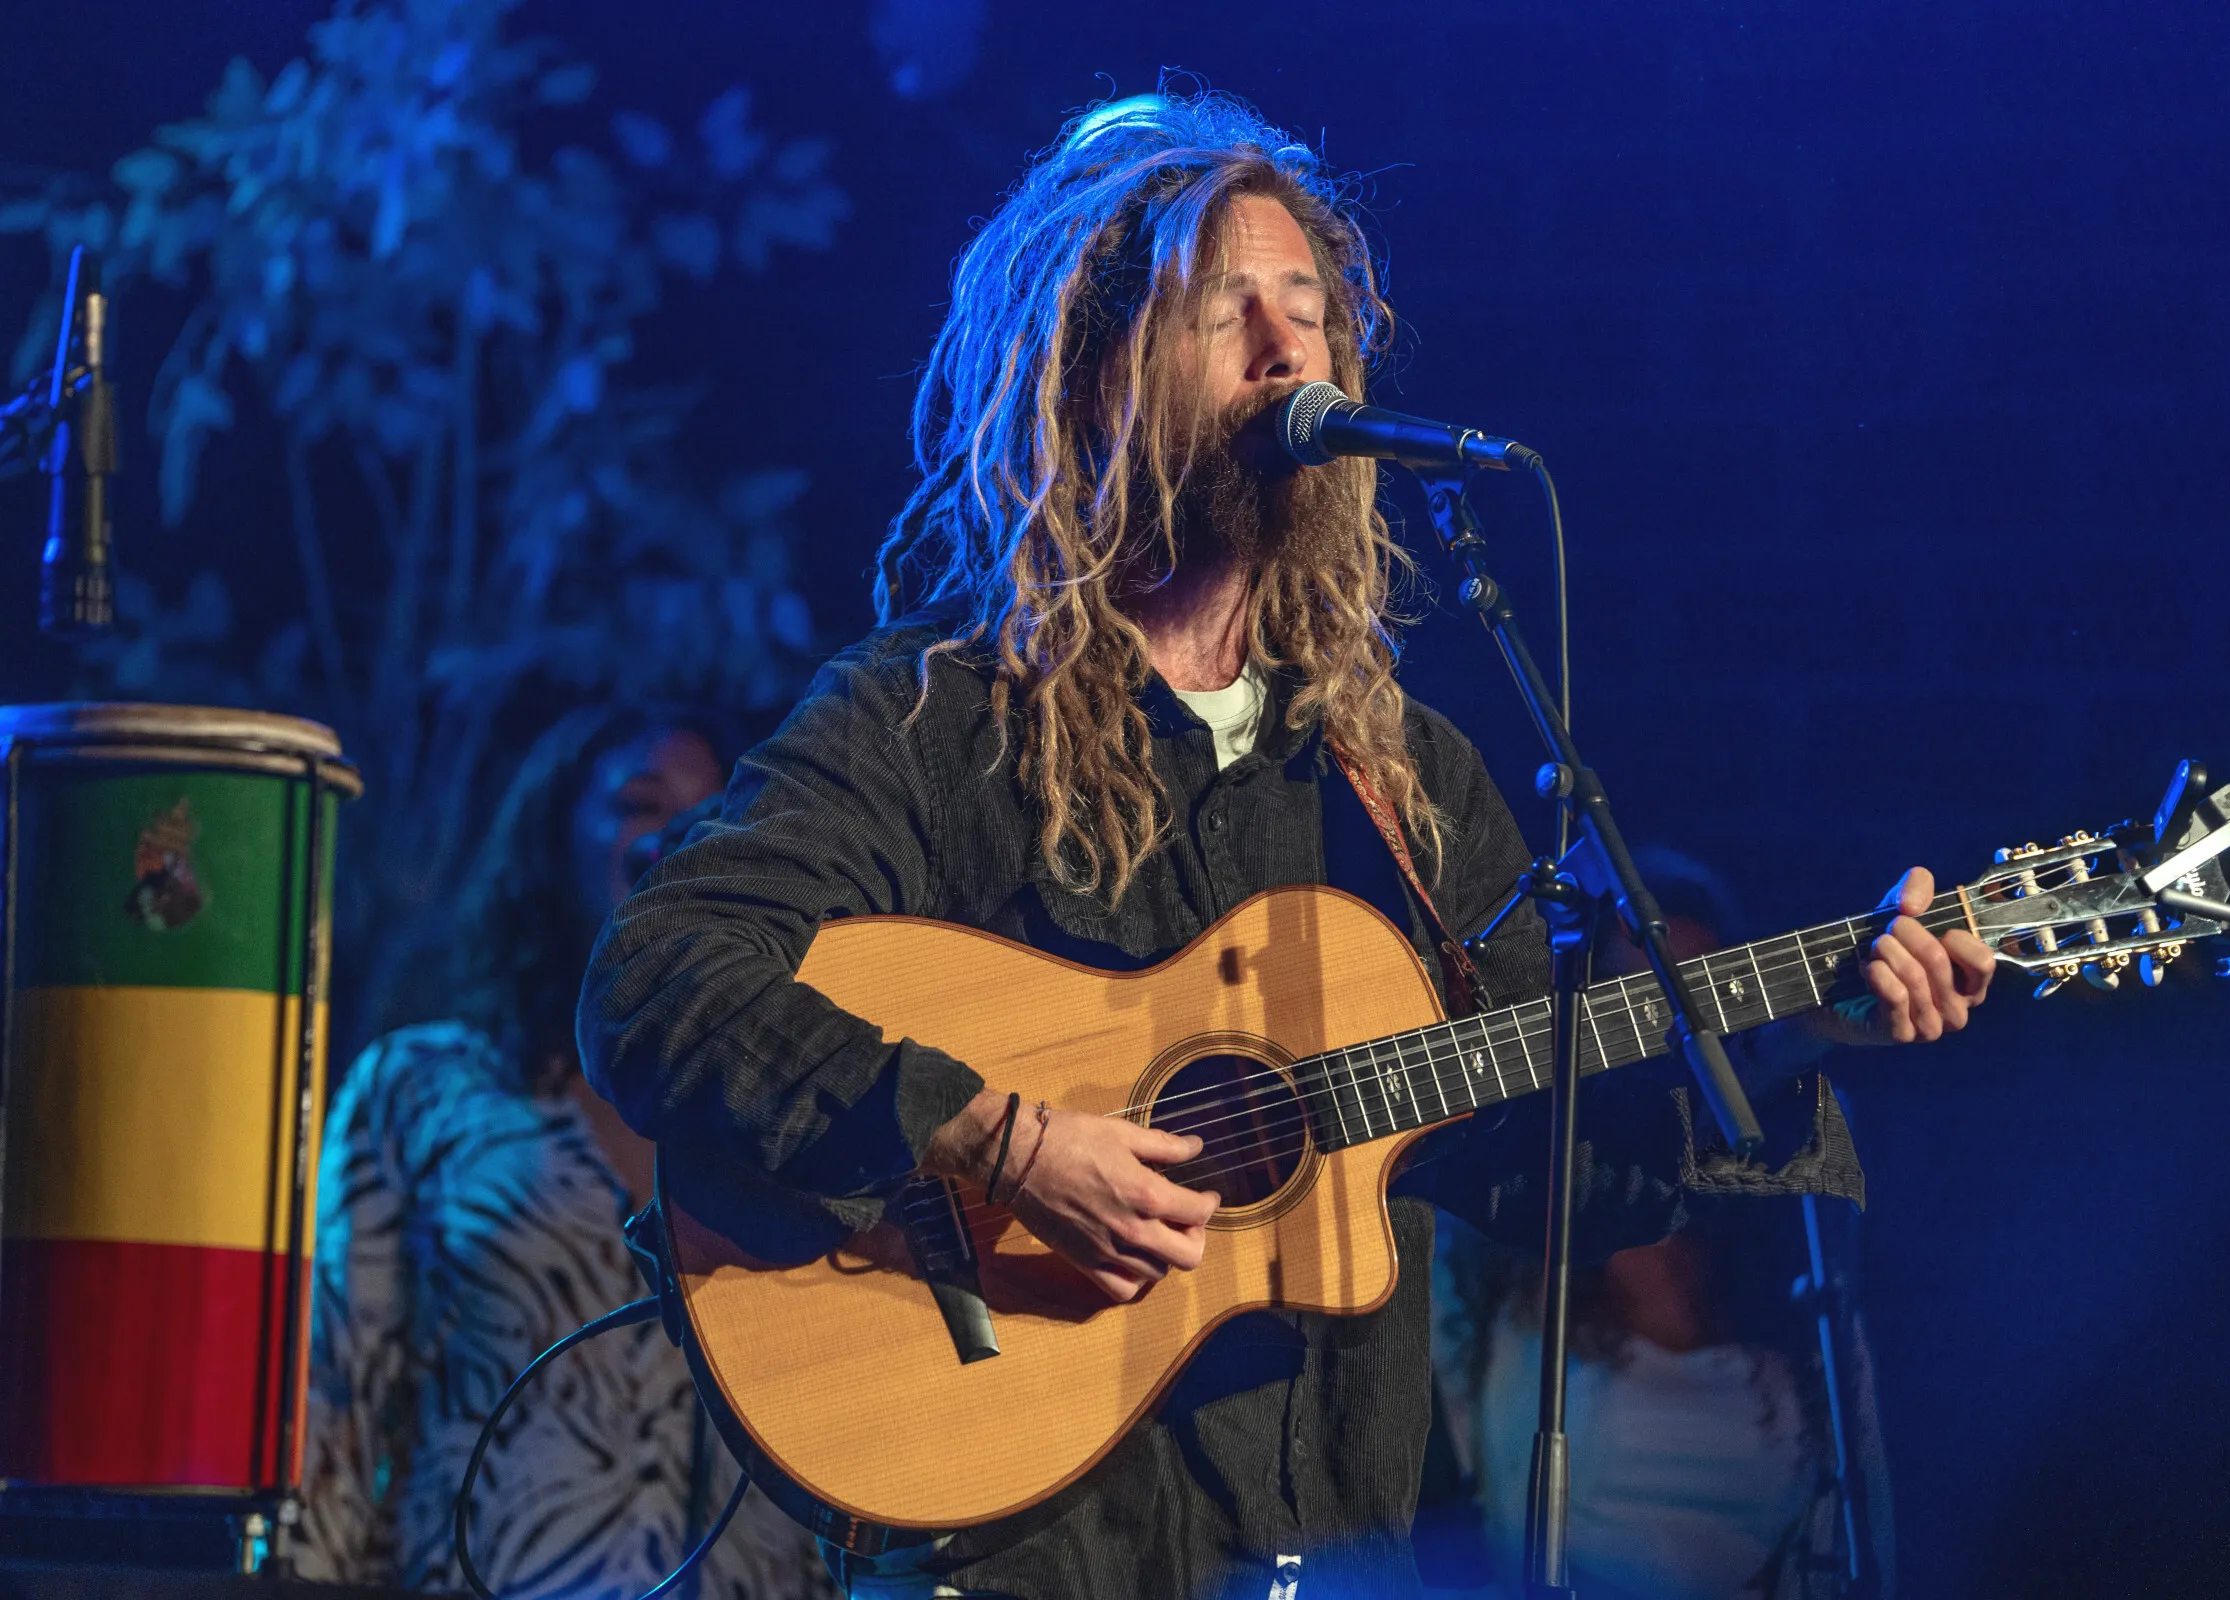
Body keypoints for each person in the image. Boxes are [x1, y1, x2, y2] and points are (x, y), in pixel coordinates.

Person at [579, 91, 1993, 1600]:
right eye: (1227, 310)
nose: (1288, 349)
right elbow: (656, 980)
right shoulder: (936, 720)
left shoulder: (1405, 781)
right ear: (1099, 369)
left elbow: (1553, 1161)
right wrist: (996, 1135)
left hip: (1340, 1541)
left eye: (1309, 310)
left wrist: (1792, 1041)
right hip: (1028, 1549)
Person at [295, 704, 840, 1600]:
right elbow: (341, 1404)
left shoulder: (796, 1123)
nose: (683, 832)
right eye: (641, 802)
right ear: (554, 845)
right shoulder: (424, 1091)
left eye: (716, 814)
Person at [1423, 850, 1895, 1600]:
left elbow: (1852, 1519)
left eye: (1699, 1008)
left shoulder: (1795, 1241)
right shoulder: (1494, 1248)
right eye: (1634, 1006)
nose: (1666, 1039)